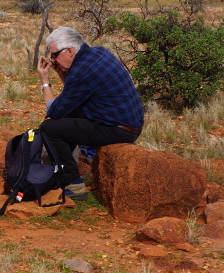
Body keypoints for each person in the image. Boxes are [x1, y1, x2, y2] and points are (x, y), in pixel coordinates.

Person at [35, 26, 144, 199]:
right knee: (68, 115)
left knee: (49, 128)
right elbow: (70, 98)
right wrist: (60, 71)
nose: (53, 59)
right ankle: (68, 168)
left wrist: (45, 80)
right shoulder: (98, 53)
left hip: (116, 130)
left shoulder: (81, 72)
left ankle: (73, 184)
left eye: (55, 54)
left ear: (70, 50)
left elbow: (54, 112)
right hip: (129, 126)